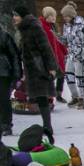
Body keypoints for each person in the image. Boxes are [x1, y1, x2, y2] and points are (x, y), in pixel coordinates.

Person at [12, 6, 59, 144]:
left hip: (39, 66)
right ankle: (46, 124)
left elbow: (45, 47)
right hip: (31, 67)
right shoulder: (23, 29)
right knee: (40, 96)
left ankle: (47, 126)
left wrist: (51, 67)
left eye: (16, 15)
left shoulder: (34, 27)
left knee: (42, 95)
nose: (14, 18)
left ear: (22, 16)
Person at [61, 2, 84, 109]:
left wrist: (79, 54)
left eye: (67, 16)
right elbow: (66, 41)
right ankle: (75, 96)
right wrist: (57, 37)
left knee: (80, 76)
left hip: (79, 55)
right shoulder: (66, 26)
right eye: (64, 16)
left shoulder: (80, 25)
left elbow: (83, 41)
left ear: (72, 15)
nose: (65, 18)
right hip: (70, 54)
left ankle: (82, 98)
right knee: (69, 75)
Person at [40, 7, 67, 102]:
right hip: (50, 55)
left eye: (54, 15)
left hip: (58, 54)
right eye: (51, 15)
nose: (54, 17)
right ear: (47, 15)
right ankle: (49, 96)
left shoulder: (53, 26)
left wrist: (64, 50)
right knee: (50, 76)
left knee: (61, 75)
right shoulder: (42, 26)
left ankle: (58, 94)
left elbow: (58, 40)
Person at [0, 23, 22, 136]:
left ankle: (6, 125)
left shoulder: (4, 36)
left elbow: (14, 55)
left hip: (3, 72)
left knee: (4, 99)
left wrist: (17, 74)